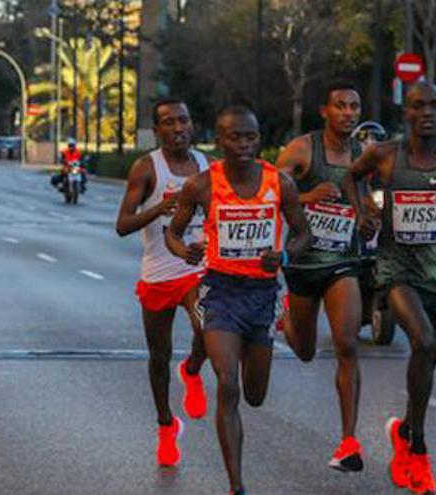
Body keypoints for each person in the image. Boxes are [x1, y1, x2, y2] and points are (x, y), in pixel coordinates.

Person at [342, 81, 436, 495]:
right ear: (405, 112)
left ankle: (405, 430)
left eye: (435, 106)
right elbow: (351, 177)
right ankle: (419, 449)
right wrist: (362, 212)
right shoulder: (385, 155)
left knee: (428, 362)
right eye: (418, 106)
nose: (427, 112)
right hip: (397, 269)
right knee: (423, 343)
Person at [165, 106, 312, 495]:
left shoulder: (279, 183)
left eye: (251, 136)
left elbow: (303, 234)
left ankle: (273, 331)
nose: (244, 144)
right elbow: (173, 233)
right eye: (236, 137)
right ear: (219, 138)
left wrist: (284, 256)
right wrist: (184, 252)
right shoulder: (201, 185)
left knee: (255, 395)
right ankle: (237, 486)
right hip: (221, 293)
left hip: (262, 296)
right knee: (227, 384)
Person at [275, 80, 367, 472]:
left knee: (347, 342)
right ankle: (286, 319)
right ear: (325, 112)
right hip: (303, 263)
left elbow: (364, 198)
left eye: (354, 107)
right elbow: (270, 188)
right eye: (340, 106)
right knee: (306, 351)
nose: (348, 113)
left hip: (342, 261)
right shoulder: (302, 149)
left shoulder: (365, 153)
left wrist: (368, 217)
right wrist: (306, 198)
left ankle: (348, 442)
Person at [115, 97, 211, 467]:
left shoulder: (206, 166)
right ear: (156, 131)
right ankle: (166, 425)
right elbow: (122, 225)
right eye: (168, 122)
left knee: (208, 325)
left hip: (195, 267)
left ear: (192, 124)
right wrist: (159, 208)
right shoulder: (146, 168)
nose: (177, 128)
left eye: (183, 120)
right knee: (158, 356)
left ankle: (192, 371)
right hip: (157, 271)